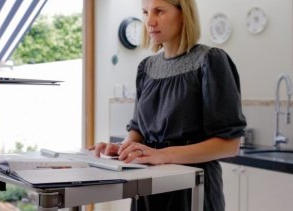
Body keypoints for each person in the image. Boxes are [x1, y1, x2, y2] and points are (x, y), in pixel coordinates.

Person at [90, 0, 247, 210]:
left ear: (184, 14)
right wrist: (122, 149)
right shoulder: (146, 67)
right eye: (145, 12)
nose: (149, 21)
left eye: (159, 11)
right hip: (146, 187)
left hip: (191, 190)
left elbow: (229, 145)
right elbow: (138, 128)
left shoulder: (210, 61)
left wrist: (161, 155)